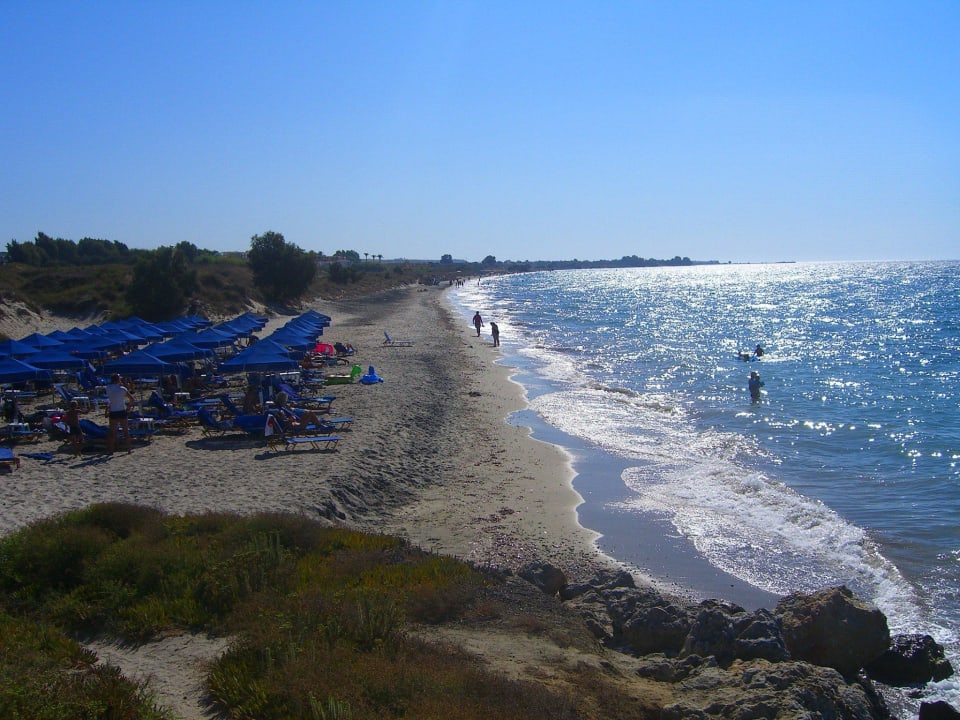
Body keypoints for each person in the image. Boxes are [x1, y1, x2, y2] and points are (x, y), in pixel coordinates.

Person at [105, 373, 135, 453]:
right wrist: (128, 408)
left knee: (112, 432)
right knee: (125, 432)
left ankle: (111, 450)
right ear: (118, 380)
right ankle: (129, 449)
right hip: (122, 411)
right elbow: (132, 399)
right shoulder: (122, 389)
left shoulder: (108, 388)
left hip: (113, 411)